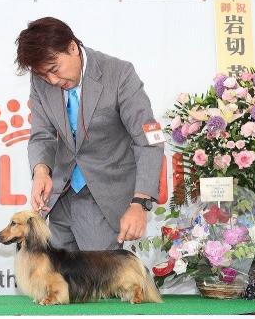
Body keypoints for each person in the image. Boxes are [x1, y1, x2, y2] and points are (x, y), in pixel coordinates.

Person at [15, 17, 163, 251]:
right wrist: (41, 171)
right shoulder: (41, 81)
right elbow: (42, 135)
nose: (52, 81)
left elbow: (149, 140)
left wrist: (140, 203)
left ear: (72, 47)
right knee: (55, 275)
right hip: (59, 197)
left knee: (98, 275)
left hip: (104, 197)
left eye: (54, 69)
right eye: (44, 76)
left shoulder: (119, 74)